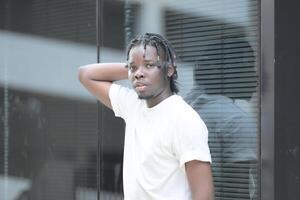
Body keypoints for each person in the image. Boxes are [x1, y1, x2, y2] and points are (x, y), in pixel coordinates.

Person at [78, 33, 214, 200]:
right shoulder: (133, 104)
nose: (138, 74)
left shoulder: (185, 120)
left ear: (169, 69)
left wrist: (139, 64)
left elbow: (204, 196)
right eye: (133, 68)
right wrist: (137, 64)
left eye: (149, 65)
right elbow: (86, 74)